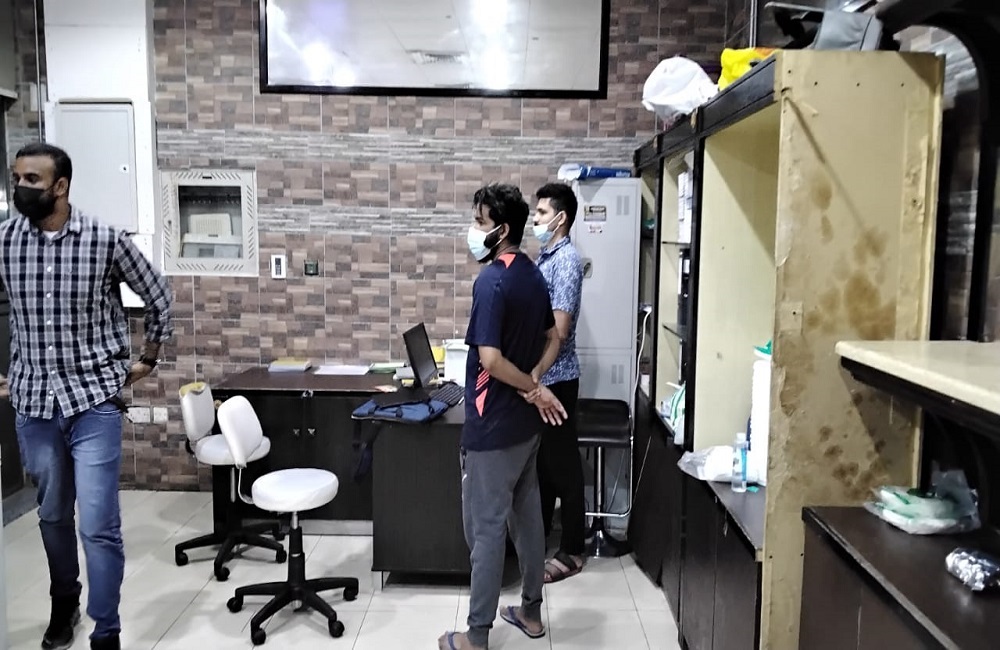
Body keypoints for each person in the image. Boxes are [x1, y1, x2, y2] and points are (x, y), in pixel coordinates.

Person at [0, 142, 174, 650]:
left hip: (94, 401)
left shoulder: (104, 239)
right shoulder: (5, 240)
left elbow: (158, 294)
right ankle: (64, 603)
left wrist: (148, 359)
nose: (20, 187)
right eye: (16, 178)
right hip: (34, 404)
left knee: (98, 524)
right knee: (53, 515)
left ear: (60, 186)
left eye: (32, 180)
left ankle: (106, 627)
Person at [439, 183, 567, 650]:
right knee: (528, 519)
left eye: (480, 222)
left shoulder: (492, 282)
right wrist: (535, 379)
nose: (473, 230)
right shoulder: (532, 273)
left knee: (486, 531)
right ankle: (530, 613)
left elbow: (490, 360)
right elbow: (554, 337)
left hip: (492, 427)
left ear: (502, 229)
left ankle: (476, 636)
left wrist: (532, 386)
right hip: (525, 429)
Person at [531, 182, 587, 583]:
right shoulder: (545, 257)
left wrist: (535, 373)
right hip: (542, 379)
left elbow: (560, 327)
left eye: (541, 213)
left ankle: (573, 551)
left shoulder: (566, 260)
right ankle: (540, 541)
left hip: (558, 380)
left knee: (564, 467)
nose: (535, 219)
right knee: (545, 467)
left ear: (561, 218)